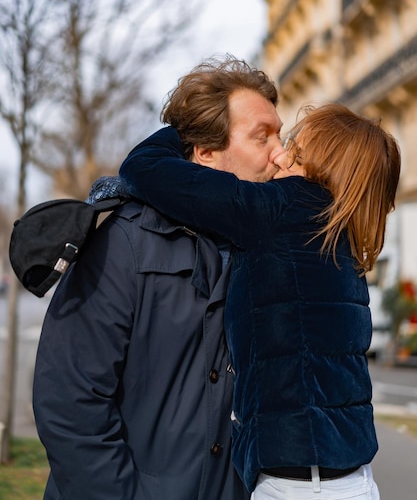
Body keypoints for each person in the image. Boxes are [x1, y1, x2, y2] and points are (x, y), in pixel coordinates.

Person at [119, 102, 401, 499]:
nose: (281, 156)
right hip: (354, 480)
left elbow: (142, 169)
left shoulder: (278, 206)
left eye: (297, 152)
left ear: (326, 164)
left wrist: (192, 127)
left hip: (298, 485)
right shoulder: (342, 236)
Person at [32, 56, 284, 500]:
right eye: (262, 137)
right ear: (205, 154)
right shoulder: (121, 242)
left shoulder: (265, 251)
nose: (280, 153)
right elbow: (71, 405)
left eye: (280, 135)